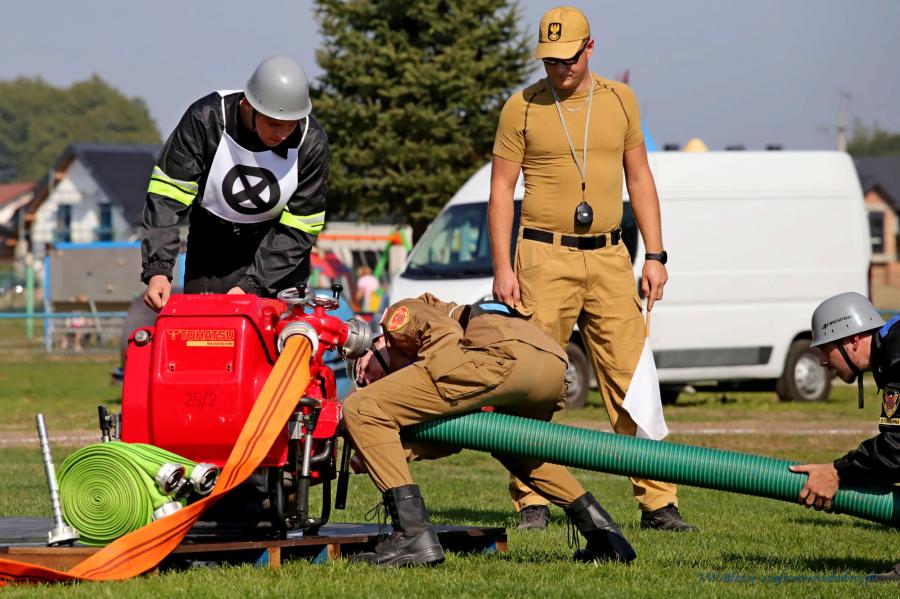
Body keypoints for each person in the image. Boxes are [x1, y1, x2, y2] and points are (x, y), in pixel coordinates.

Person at [488, 6, 695, 531]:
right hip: (541, 257)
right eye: (550, 60)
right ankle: (531, 500)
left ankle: (658, 503)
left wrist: (655, 255)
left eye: (569, 58)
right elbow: (501, 191)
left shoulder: (621, 100)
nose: (560, 69)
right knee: (533, 383)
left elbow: (640, 178)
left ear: (590, 47)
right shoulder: (521, 107)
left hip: (609, 257)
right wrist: (502, 267)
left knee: (633, 379)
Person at [341, 294, 637, 567]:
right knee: (517, 450)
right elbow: (454, 436)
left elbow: (445, 334)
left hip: (500, 354)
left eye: (363, 369)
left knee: (362, 406)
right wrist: (381, 453)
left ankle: (412, 535)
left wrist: (443, 378)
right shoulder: (455, 337)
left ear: (377, 343)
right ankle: (607, 538)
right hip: (550, 365)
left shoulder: (397, 319)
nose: (367, 381)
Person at [141, 56, 329, 310]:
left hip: (278, 259)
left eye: (291, 125)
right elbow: (167, 197)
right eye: (274, 124)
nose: (283, 134)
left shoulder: (312, 142)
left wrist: (251, 286)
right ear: (248, 105)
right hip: (211, 253)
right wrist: (158, 270)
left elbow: (301, 227)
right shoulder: (205, 119)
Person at [789, 292, 899, 583]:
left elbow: (896, 449)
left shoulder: (896, 357)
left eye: (826, 349)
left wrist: (838, 471)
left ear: (853, 340)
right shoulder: (891, 350)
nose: (823, 362)